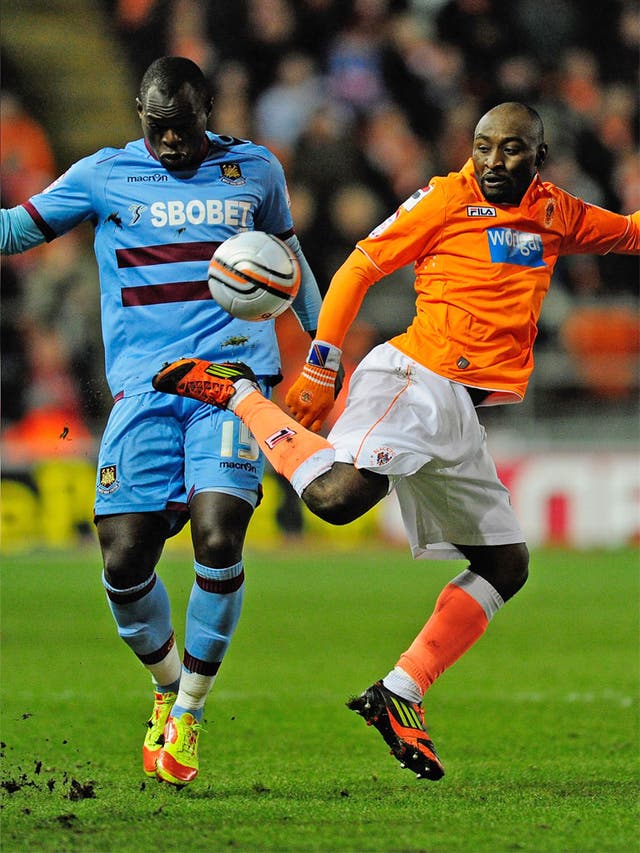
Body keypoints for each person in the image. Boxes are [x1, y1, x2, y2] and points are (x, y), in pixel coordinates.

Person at [153, 102, 640, 781]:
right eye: (482, 146)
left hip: (462, 415)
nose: (493, 162)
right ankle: (237, 391)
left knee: (505, 565)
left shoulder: (557, 214)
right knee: (339, 498)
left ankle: (399, 691)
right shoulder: (444, 198)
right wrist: (322, 363)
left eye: (511, 150)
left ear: (541, 156)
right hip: (415, 376)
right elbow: (358, 267)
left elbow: (632, 234)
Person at [0, 56, 322, 787]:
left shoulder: (256, 171)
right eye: (157, 127)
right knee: (122, 557)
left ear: (207, 107)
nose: (171, 141)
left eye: (182, 126)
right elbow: (18, 231)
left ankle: (192, 714)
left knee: (218, 530)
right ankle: (167, 684)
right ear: (140, 115)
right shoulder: (104, 173)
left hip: (234, 382)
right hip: (144, 389)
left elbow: (289, 258)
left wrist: (323, 348)